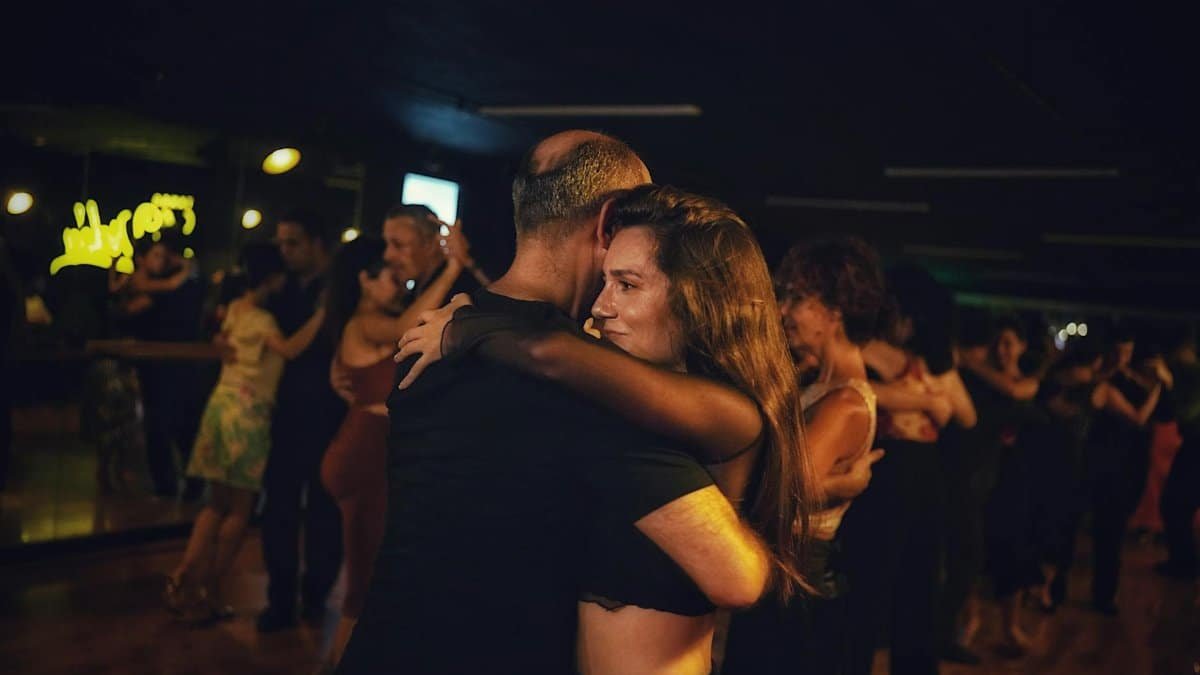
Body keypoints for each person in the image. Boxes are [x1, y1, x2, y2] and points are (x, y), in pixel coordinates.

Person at [339, 132, 774, 674]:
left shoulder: (433, 336)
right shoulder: (592, 383)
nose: (611, 301)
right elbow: (737, 573)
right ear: (609, 220)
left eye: (629, 284)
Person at [722, 236, 885, 675]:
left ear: (834, 311)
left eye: (796, 297)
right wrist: (844, 484)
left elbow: (784, 492)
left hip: (795, 580)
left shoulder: (845, 402)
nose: (782, 310)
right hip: (789, 574)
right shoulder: (822, 383)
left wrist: (839, 486)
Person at [316, 232, 469, 670]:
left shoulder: (363, 322)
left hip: (360, 451)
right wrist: (454, 269)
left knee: (360, 577)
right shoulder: (365, 321)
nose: (397, 285)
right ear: (365, 281)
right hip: (363, 457)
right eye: (388, 277)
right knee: (361, 587)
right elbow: (408, 327)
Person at [164, 243, 325, 622]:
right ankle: (211, 589)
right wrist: (321, 315)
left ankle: (184, 577)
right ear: (272, 279)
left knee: (214, 503)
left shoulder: (235, 309)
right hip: (248, 413)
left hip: (219, 407)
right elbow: (289, 350)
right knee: (240, 508)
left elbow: (223, 343)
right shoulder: (265, 321)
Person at [853, 266, 976, 675]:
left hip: (923, 474)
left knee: (919, 577)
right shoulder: (865, 348)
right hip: (884, 468)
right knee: (872, 578)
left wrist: (932, 393)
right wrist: (923, 400)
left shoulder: (929, 360)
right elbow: (856, 391)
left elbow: (965, 416)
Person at [257, 211, 347, 632]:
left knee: (324, 511)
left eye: (292, 243)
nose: (284, 251)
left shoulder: (342, 291)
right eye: (281, 244)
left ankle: (313, 596)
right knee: (279, 509)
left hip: (330, 412)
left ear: (316, 243)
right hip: (289, 413)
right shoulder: (281, 287)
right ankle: (280, 599)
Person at [960, 318, 1046, 653]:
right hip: (982, 472)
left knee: (1013, 551)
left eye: (1009, 342)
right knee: (974, 551)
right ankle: (971, 620)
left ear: (1022, 346)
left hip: (1017, 476)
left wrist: (968, 360)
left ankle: (1010, 627)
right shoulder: (979, 381)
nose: (1002, 349)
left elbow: (1015, 391)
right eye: (998, 342)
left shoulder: (1026, 382)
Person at [1085, 328, 1164, 614]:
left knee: (1112, 532)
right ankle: (1103, 597)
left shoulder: (1128, 378)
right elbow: (1138, 418)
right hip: (1106, 467)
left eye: (1127, 352)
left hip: (1125, 464)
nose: (1123, 357)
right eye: (1118, 351)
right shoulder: (1103, 382)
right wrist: (1157, 388)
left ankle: (1105, 594)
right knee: (1108, 533)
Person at [1158, 327, 1200, 579]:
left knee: (1175, 504)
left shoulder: (1193, 376)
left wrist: (1169, 385)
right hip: (1193, 445)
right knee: (1177, 504)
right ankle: (1183, 562)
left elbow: (1183, 413)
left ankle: (1184, 564)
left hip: (1196, 445)